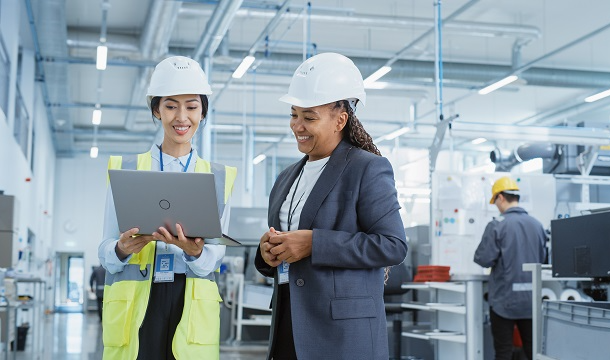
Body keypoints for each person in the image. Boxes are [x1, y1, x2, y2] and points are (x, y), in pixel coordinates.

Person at [254, 52, 408, 360]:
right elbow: (285, 251)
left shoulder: (367, 168)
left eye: (309, 117)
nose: (298, 126)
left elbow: (392, 246)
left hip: (342, 335)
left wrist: (315, 244)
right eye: (294, 114)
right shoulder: (286, 177)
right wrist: (266, 253)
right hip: (289, 323)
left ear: (340, 120)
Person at [98, 55, 237, 360]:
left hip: (188, 306)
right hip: (138, 308)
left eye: (191, 106)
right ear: (156, 110)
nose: (181, 117)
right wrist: (122, 248)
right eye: (171, 105)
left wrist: (196, 251)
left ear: (203, 112)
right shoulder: (127, 169)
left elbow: (213, 259)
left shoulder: (218, 177)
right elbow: (107, 252)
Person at [474, 176, 547, 360]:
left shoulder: (497, 225)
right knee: (534, 352)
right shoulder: (538, 226)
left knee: (504, 352)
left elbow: (483, 259)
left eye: (495, 201)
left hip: (503, 301)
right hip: (532, 301)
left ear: (500, 197)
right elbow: (544, 259)